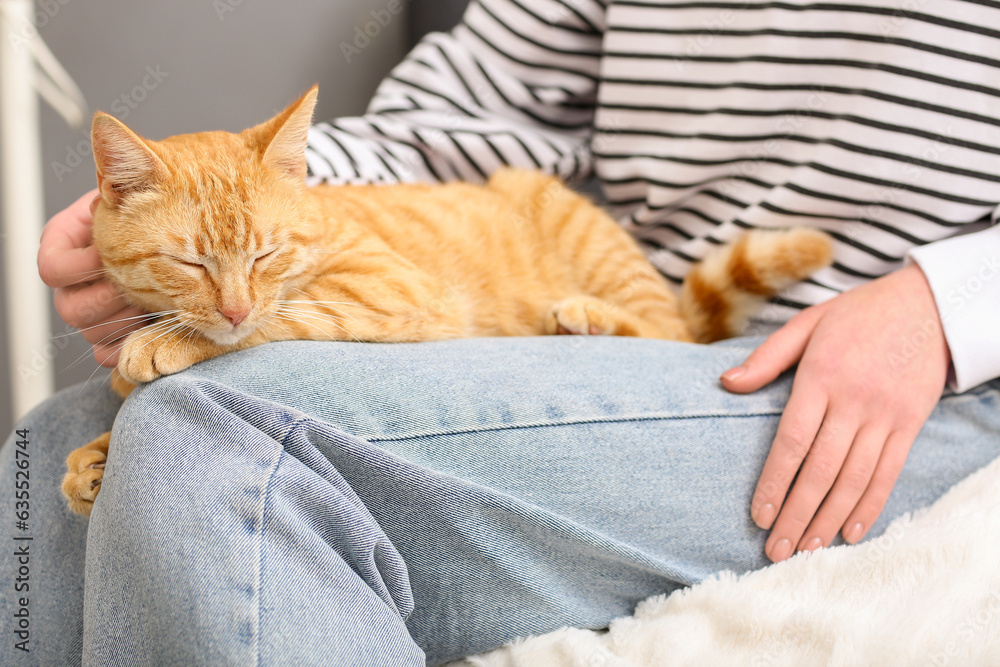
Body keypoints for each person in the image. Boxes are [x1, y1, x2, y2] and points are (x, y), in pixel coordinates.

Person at [5, 0, 1000, 664]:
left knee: (209, 441)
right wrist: (192, 209)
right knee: (48, 446)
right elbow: (469, 110)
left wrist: (948, 305)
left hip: (922, 377)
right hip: (652, 339)